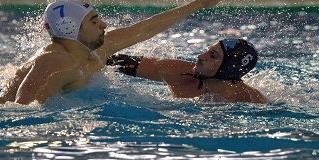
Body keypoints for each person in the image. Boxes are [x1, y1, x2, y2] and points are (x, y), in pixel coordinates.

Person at [0, 0, 235, 104]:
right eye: (94, 21)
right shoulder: (55, 63)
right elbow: (20, 113)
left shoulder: (96, 48)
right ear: (70, 28)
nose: (104, 25)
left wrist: (198, 4)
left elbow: (146, 28)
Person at [107, 39, 267, 104]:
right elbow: (121, 63)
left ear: (228, 69)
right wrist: (97, 59)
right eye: (207, 50)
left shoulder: (247, 99)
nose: (200, 56)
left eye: (212, 55)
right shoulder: (181, 74)